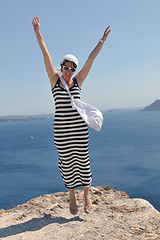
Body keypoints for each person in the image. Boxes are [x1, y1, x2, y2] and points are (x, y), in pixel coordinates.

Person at [32, 16, 111, 214]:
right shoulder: (54, 80)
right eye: (65, 67)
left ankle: (86, 195)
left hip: (79, 130)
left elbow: (91, 59)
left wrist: (101, 41)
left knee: (83, 161)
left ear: (75, 70)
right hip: (61, 132)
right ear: (61, 67)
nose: (68, 71)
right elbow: (45, 52)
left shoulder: (78, 81)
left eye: (72, 68)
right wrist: (38, 32)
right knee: (66, 164)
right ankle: (72, 197)